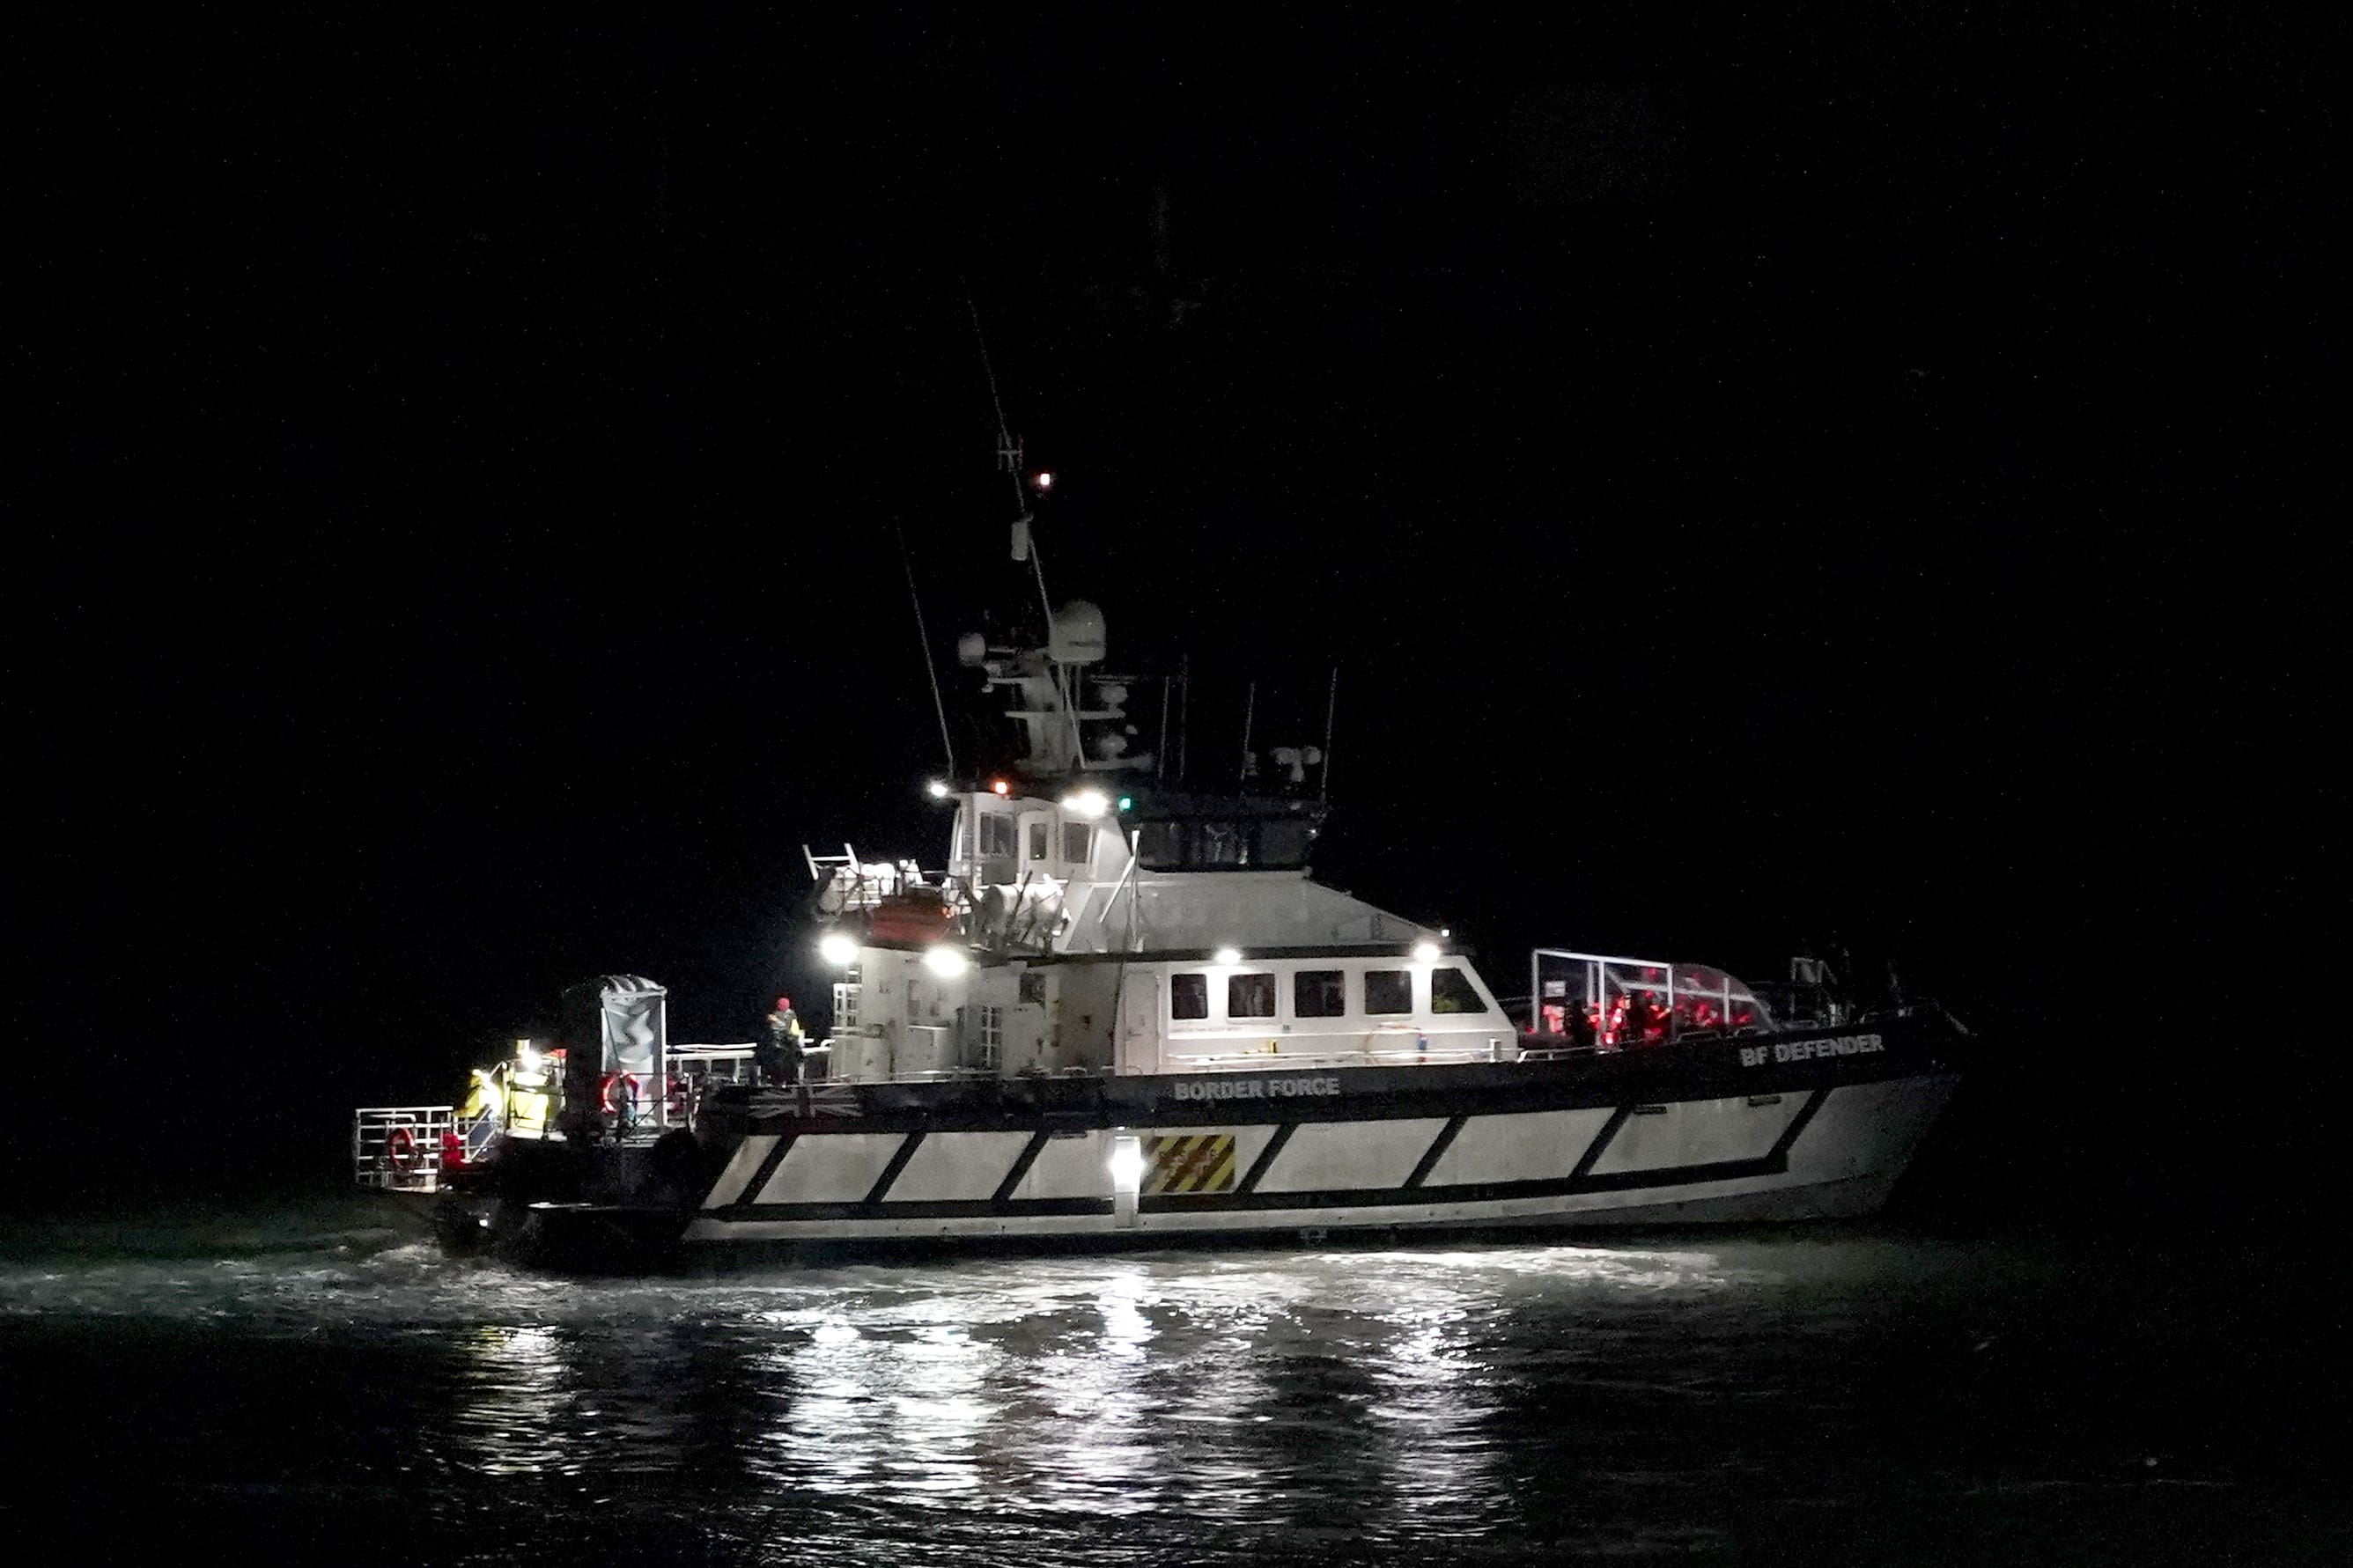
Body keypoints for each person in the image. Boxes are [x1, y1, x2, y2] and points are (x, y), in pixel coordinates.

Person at [759, 996, 806, 1088]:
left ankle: (771, 1081)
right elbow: (795, 1034)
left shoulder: (772, 1018)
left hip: (777, 1052)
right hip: (786, 1051)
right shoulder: (790, 1018)